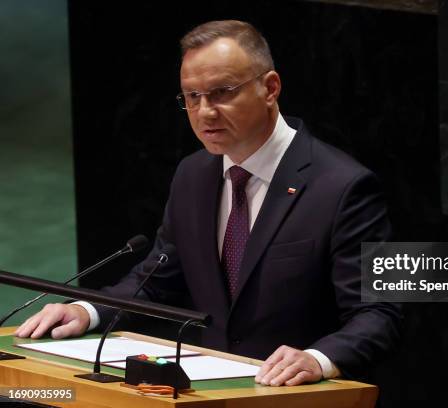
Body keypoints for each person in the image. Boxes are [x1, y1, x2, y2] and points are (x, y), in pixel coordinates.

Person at [15, 20, 401, 386]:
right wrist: (88, 309)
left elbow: (379, 313)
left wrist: (317, 359)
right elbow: (156, 281)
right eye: (192, 97)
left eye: (223, 93)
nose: (205, 112)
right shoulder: (193, 176)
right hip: (210, 396)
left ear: (270, 87)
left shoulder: (343, 186)